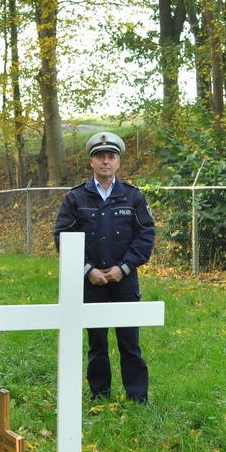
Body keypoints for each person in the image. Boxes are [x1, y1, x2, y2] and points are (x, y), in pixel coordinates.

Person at [54, 132, 156, 403]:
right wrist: (87, 270)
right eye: (100, 157)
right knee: (97, 344)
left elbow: (145, 236)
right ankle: (99, 398)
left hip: (124, 281)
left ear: (119, 162)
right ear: (91, 162)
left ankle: (137, 399)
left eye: (111, 157)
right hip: (91, 282)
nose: (106, 162)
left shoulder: (133, 197)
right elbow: (62, 236)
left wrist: (123, 268)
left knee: (130, 344)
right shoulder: (75, 199)